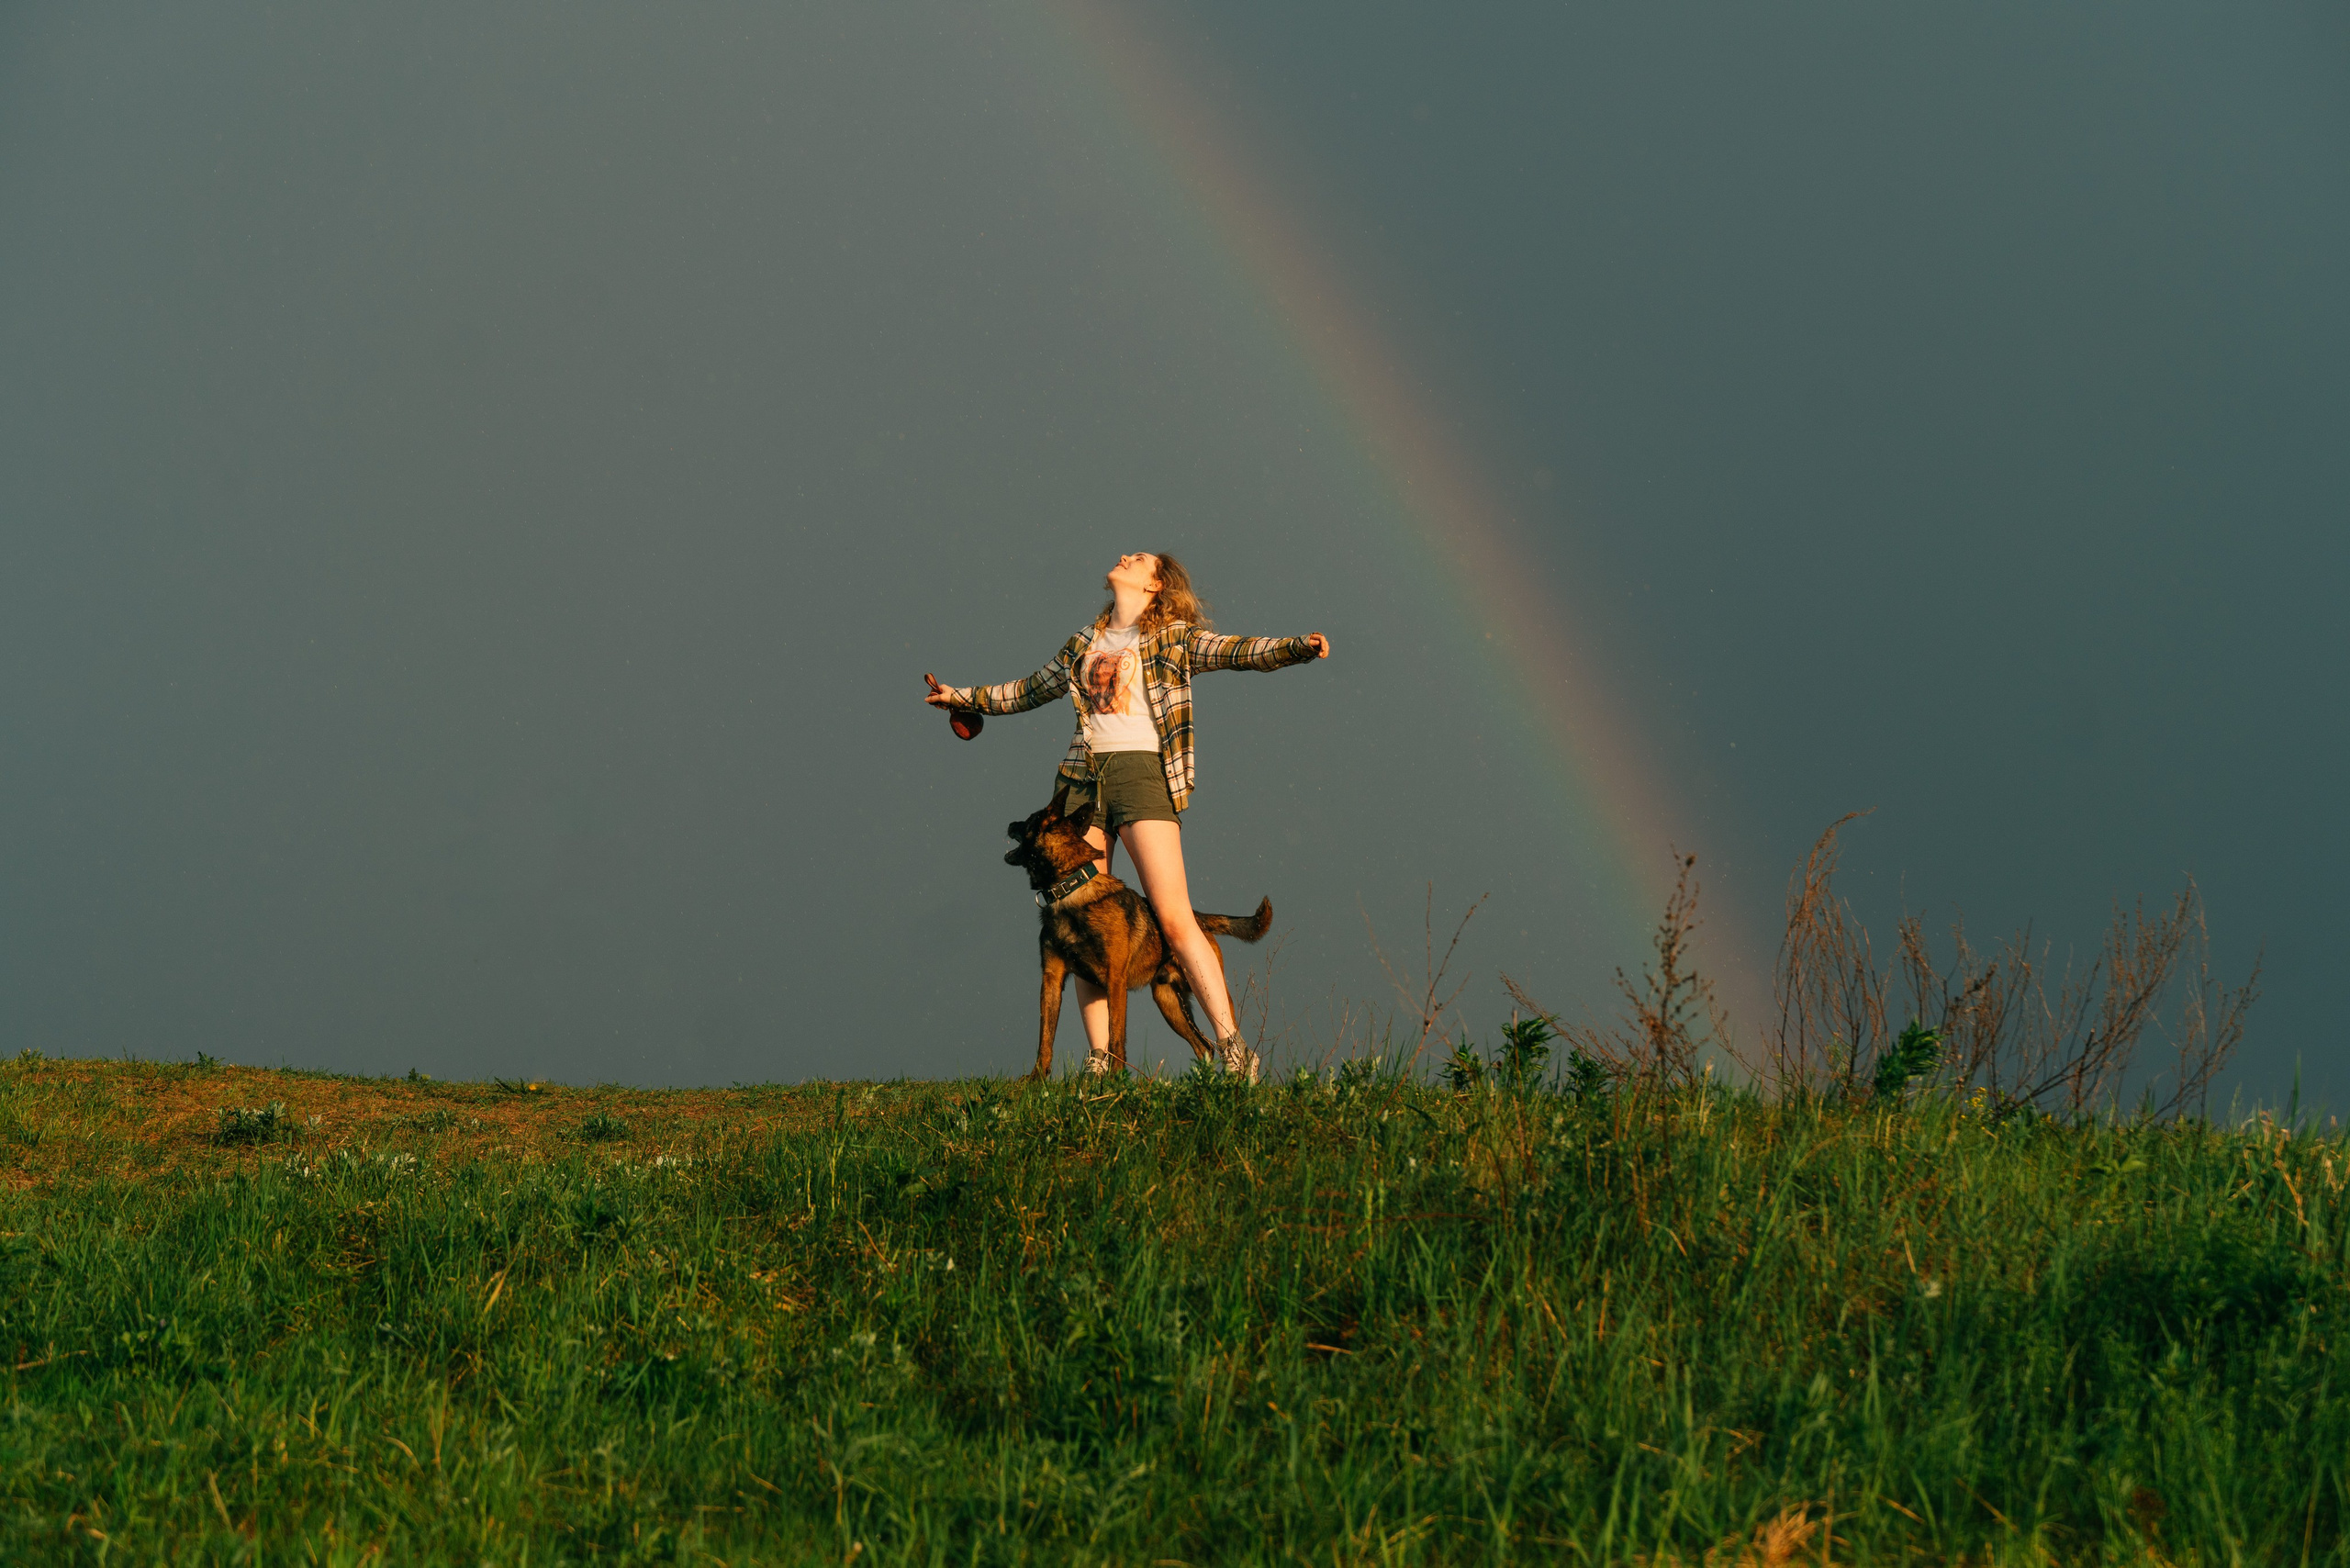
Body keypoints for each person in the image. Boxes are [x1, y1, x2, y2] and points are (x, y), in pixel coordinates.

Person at [926, 552, 1330, 1080]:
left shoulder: (1174, 637)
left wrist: (1295, 649)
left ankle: (1233, 1052)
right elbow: (1029, 689)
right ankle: (1099, 1062)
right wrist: (961, 696)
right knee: (1081, 920)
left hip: (1143, 777)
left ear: (1155, 583)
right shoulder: (1084, 642)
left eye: (1137, 558)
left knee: (1173, 917)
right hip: (1080, 781)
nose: (1123, 557)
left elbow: (1235, 651)